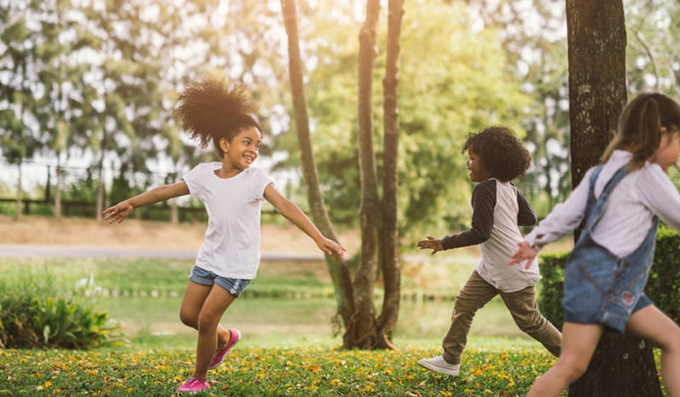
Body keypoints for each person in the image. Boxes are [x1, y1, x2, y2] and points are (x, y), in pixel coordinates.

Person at [103, 76, 346, 393]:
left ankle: (199, 378)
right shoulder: (204, 175)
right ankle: (226, 337)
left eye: (257, 145)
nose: (253, 150)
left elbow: (287, 206)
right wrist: (132, 203)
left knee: (206, 319)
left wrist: (318, 237)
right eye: (247, 142)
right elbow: (168, 191)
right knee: (188, 315)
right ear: (224, 143)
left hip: (238, 263)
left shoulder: (256, 179)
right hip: (210, 257)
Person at [509, 92, 680, 396]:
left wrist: (534, 241)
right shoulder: (646, 174)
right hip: (607, 281)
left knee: (673, 340)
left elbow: (566, 214)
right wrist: (533, 242)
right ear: (662, 134)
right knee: (571, 366)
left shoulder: (601, 173)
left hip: (602, 281)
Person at [416, 126, 562, 377]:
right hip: (492, 266)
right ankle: (450, 360)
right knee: (464, 304)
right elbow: (529, 217)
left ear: (491, 162)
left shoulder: (484, 190)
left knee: (529, 321)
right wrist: (505, 218)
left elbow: (480, 232)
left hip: (511, 266)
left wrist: (444, 243)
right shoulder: (509, 188)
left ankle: (577, 358)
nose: (468, 163)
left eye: (473, 158)